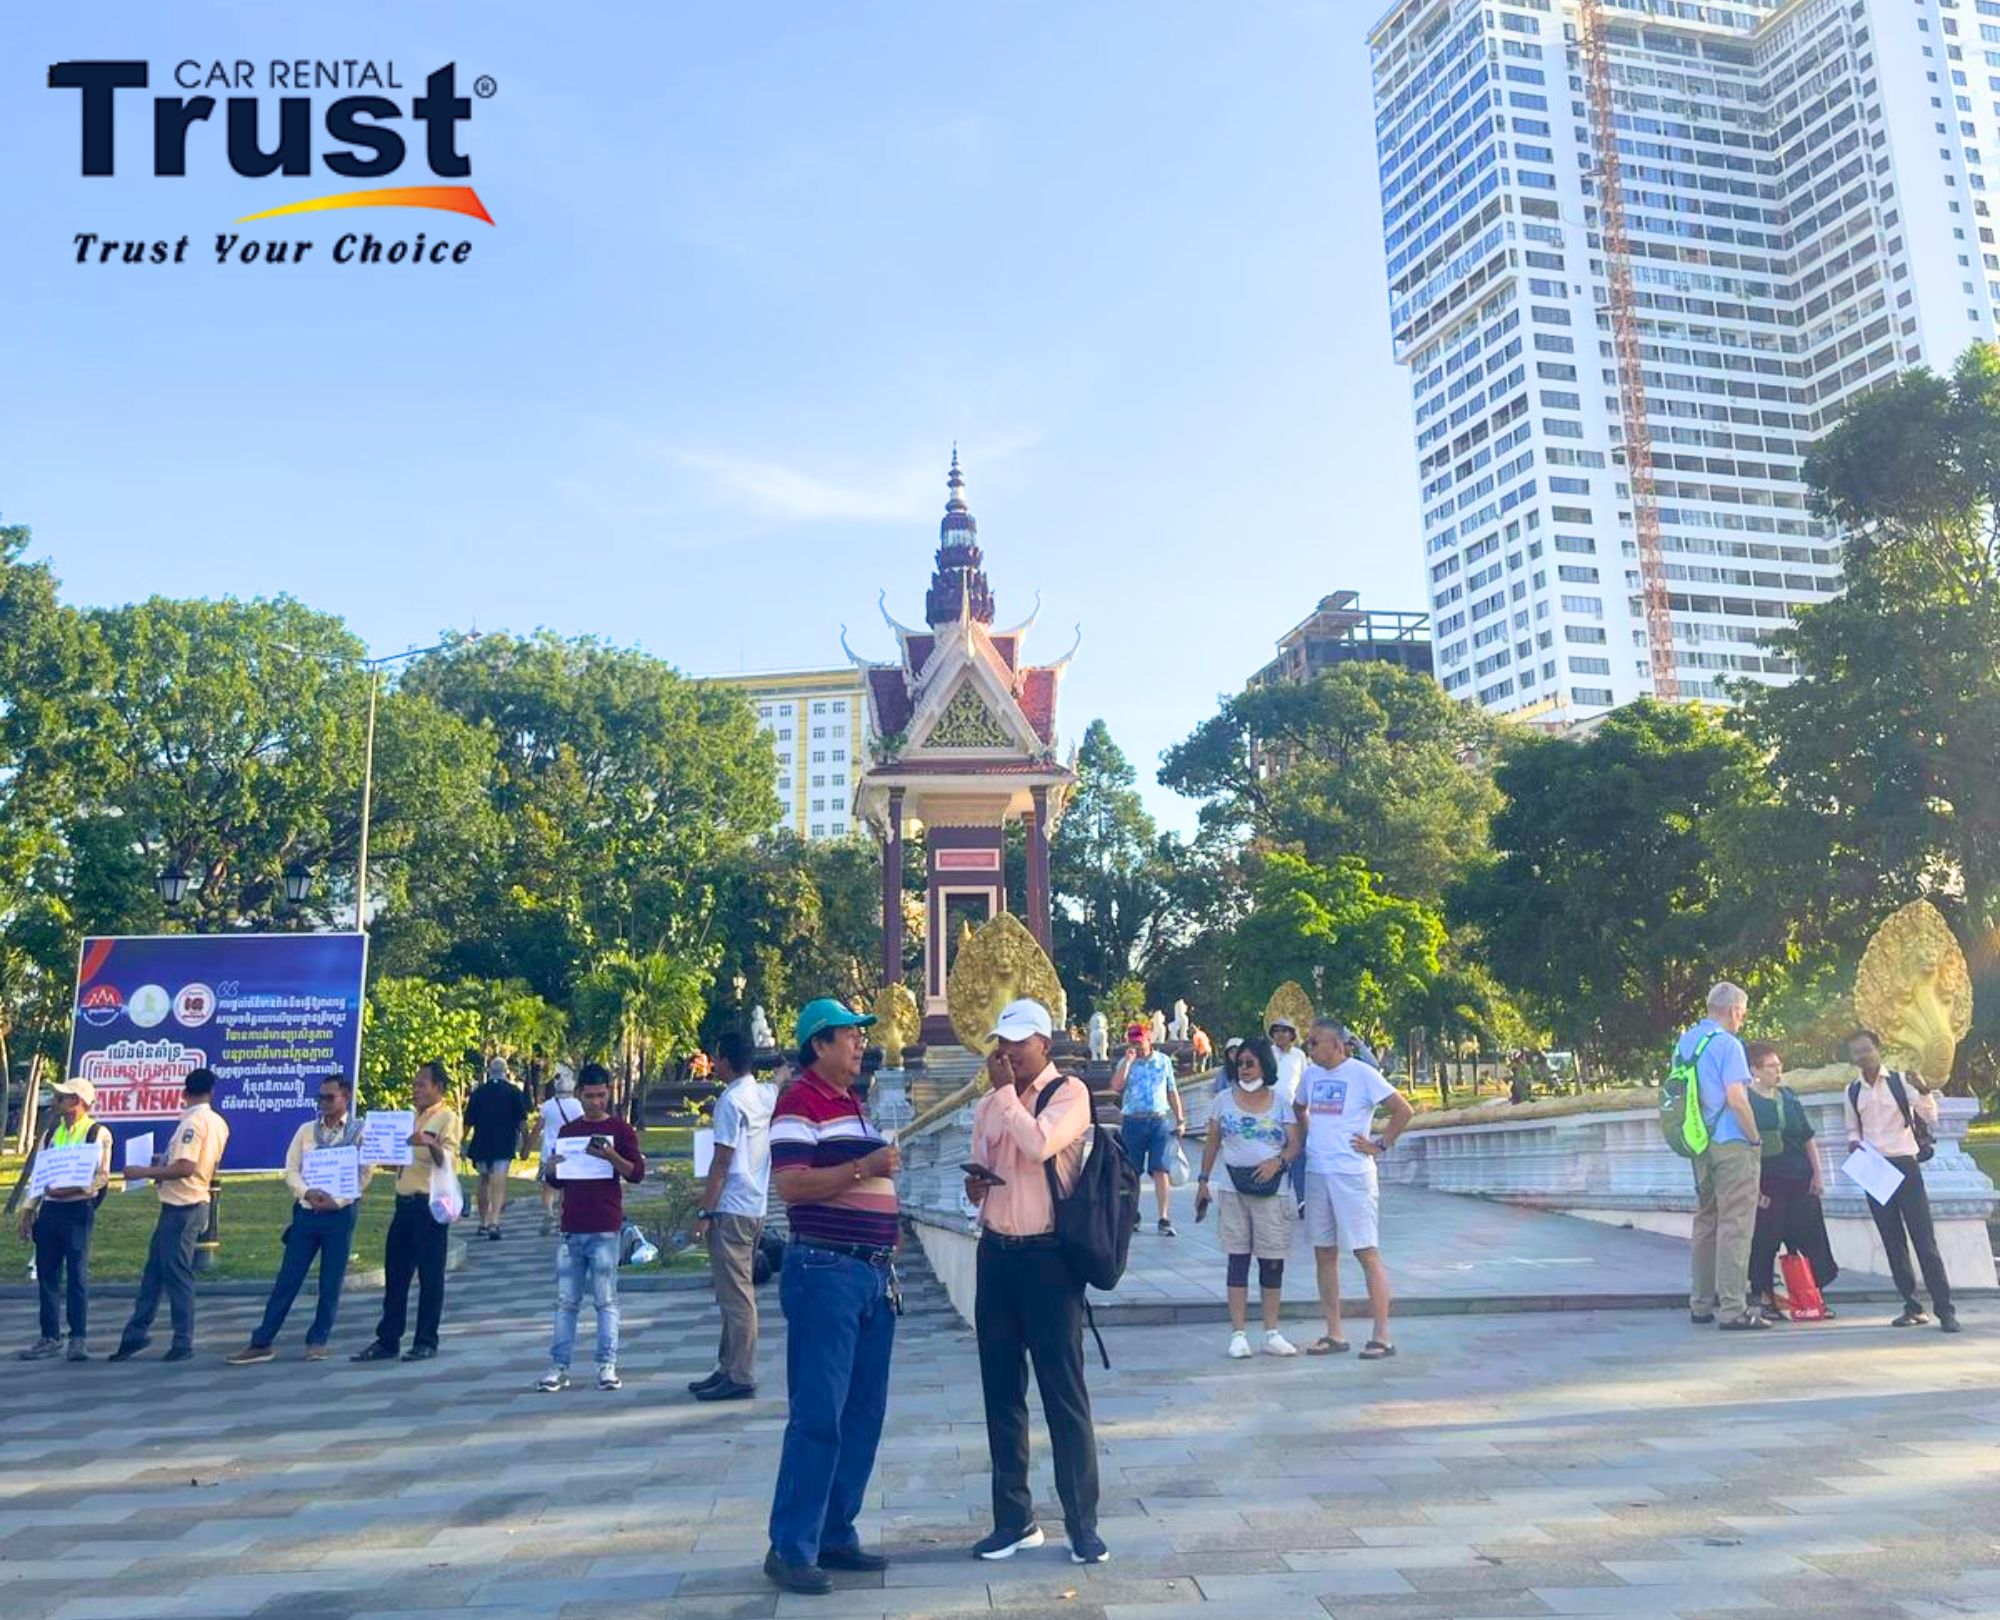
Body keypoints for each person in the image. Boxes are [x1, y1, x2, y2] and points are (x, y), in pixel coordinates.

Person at [763, 998, 899, 1596]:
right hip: (825, 1270)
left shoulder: (852, 1103)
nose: (860, 1044)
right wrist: (863, 1168)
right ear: (818, 1044)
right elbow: (792, 1185)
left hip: (870, 1275)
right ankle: (791, 1545)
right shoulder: (799, 1100)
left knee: (862, 1413)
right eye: (850, 1036)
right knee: (819, 1413)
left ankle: (835, 1531)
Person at [964, 998, 1106, 1567]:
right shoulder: (987, 1105)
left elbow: (1039, 1144)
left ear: (1044, 1044)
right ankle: (1013, 1519)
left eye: (1020, 1042)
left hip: (1049, 1261)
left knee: (1062, 1393)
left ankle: (1082, 1523)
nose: (1009, 1052)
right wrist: (974, 1189)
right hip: (996, 1255)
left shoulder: (1069, 1094)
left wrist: (1004, 1095)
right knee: (1001, 1393)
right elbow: (982, 1169)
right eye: (1004, 1041)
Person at [226, 1074, 369, 1364]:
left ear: (346, 1097)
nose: (324, 1104)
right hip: (306, 1213)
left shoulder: (360, 1132)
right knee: (288, 1278)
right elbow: (291, 1169)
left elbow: (364, 1173)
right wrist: (307, 1193)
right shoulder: (306, 1130)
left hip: (340, 1214)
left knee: (331, 1280)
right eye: (320, 1098)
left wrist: (337, 1200)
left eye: (330, 1098)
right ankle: (262, 1340)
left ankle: (318, 1339)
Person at [1295, 1018, 1413, 1360]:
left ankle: (1381, 1336)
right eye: (1310, 1042)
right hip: (1318, 1171)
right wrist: (1308, 1139)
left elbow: (1403, 1110)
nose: (1311, 1048)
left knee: (1365, 1251)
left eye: (1316, 1042)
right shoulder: (1310, 1075)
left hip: (1352, 1174)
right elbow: (1299, 1106)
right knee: (1324, 1252)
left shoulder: (1362, 1074)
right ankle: (1334, 1332)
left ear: (1337, 1044)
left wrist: (1380, 1144)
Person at [537, 1063, 645, 1391]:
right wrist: (551, 1169)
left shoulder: (621, 1131)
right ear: (579, 1095)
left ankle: (606, 1365)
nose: (595, 1103)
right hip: (572, 1227)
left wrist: (611, 1156)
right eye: (589, 1096)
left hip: (604, 1227)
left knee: (605, 1300)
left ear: (608, 1094)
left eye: (601, 1096)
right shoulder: (569, 1132)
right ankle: (558, 1366)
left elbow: (636, 1173)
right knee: (566, 1301)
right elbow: (556, 1178)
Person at [110, 1068, 231, 1363]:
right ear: (211, 1092)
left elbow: (185, 1167)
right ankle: (136, 1333)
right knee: (154, 1272)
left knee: (176, 1275)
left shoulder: (192, 1123)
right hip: (189, 1203)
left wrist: (145, 1171)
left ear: (183, 1092)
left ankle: (182, 1340)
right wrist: (158, 1163)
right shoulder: (217, 1122)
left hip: (183, 1205)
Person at [1195, 1036, 1302, 1360]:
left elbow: (1295, 1143)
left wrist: (1277, 1163)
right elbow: (1212, 1142)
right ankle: (1238, 1333)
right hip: (1233, 1188)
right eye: (1239, 1063)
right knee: (1237, 1258)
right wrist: (1203, 1181)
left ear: (1264, 1066)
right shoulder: (1223, 1100)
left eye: (1250, 1063)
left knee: (1271, 1260)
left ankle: (1272, 1331)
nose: (1243, 1069)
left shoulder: (1281, 1100)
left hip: (1272, 1191)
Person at [1844, 1029, 1957, 1333]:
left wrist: (1923, 1092)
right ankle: (1912, 1305)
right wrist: (1854, 1143)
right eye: (1856, 1052)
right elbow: (1853, 1128)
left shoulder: (1899, 1082)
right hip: (1874, 1169)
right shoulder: (1853, 1091)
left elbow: (1930, 1117)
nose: (1863, 1056)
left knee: (1924, 1240)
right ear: (1851, 1057)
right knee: (1892, 1241)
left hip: (1905, 1165)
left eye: (1867, 1049)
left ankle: (1945, 1309)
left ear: (1877, 1049)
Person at [352, 1061, 462, 1363]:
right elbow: (400, 1158)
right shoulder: (408, 1118)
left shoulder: (446, 1118)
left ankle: (426, 1340)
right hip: (403, 1204)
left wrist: (428, 1142)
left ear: (438, 1088)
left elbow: (449, 1160)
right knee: (396, 1274)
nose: (416, 1090)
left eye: (422, 1084)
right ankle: (388, 1339)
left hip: (430, 1205)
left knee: (430, 1276)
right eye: (414, 1084)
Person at [690, 1030, 774, 1402]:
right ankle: (727, 1365)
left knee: (737, 1296)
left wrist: (705, 1210)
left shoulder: (730, 1100)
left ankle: (741, 1373)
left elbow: (721, 1161)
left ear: (723, 1059)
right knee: (731, 1292)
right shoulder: (764, 1094)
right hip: (754, 1204)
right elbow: (785, 1076)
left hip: (731, 1205)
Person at [1681, 982, 1767, 1332]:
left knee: (1705, 1222)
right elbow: (1737, 1098)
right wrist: (1755, 1138)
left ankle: (1700, 1303)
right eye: (1742, 1014)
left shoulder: (1687, 1041)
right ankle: (1733, 1308)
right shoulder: (1728, 1044)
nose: (1742, 1021)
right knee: (1735, 1224)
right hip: (1731, 1143)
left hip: (1699, 1143)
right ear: (1733, 1011)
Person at [15, 1078, 113, 1362]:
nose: (56, 1101)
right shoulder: (51, 1134)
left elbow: (101, 1176)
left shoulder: (97, 1133)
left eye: (62, 1097)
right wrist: (28, 1209)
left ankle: (78, 1338)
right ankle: (49, 1336)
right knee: (47, 1274)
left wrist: (73, 1189)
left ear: (78, 1101)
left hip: (77, 1210)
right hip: (50, 1211)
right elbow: (39, 1175)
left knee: (77, 1276)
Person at [1744, 1042, 1837, 1323]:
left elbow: (1808, 1137)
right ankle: (1764, 1296)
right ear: (1755, 1070)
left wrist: (1817, 1174)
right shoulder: (1747, 1101)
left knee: (1810, 1237)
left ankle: (1811, 1294)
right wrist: (1754, 1187)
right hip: (1769, 1181)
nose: (1777, 1071)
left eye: (1778, 1065)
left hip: (1799, 1177)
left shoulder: (1789, 1097)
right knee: (1765, 1240)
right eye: (1771, 1066)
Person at [1111, 1021, 1183, 1236]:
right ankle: (1133, 1213)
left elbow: (1172, 1091)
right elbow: (1116, 1086)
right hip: (1133, 1120)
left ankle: (1163, 1217)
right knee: (1132, 1171)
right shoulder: (1126, 1062)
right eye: (1132, 1041)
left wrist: (1180, 1118)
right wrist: (1128, 1062)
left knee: (1161, 1169)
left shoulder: (1163, 1061)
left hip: (1158, 1120)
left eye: (1139, 1041)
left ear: (1148, 1039)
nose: (1137, 1045)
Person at [464, 1056, 529, 1240]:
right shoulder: (513, 1092)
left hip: (481, 1143)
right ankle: (494, 1222)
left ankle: (483, 1222)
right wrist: (526, 1143)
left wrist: (461, 1142)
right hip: (504, 1143)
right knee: (498, 1182)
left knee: (483, 1181)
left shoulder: (479, 1092)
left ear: (489, 1072)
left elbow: (468, 1121)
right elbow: (522, 1121)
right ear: (506, 1071)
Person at [537, 1069, 583, 1236]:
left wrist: (527, 1146)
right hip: (568, 1151)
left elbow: (538, 1127)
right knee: (566, 1187)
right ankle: (562, 1219)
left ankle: (548, 1211)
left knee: (547, 1185)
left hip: (548, 1152)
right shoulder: (577, 1105)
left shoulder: (548, 1105)